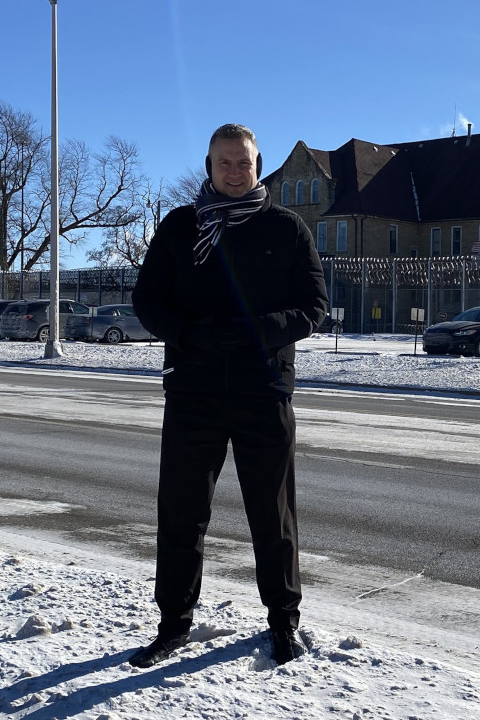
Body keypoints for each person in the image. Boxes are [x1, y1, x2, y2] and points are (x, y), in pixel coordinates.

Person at [129, 123, 328, 668]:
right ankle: (173, 624)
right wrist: (190, 333)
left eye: (244, 163)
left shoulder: (286, 228)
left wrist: (259, 329)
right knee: (181, 515)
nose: (235, 172)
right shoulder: (180, 227)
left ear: (257, 166)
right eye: (224, 163)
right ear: (208, 166)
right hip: (193, 391)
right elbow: (148, 300)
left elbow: (314, 305)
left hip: (263, 391)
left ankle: (284, 622)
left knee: (274, 515)